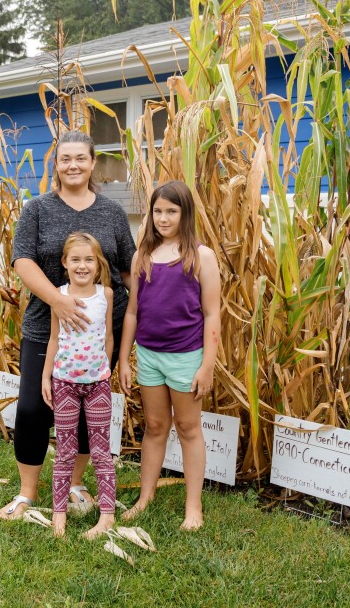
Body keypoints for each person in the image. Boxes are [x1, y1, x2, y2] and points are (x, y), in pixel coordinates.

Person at [0, 130, 136, 520]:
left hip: (98, 334)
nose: (72, 165)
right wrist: (57, 300)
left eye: (80, 158)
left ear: (93, 164)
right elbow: (22, 261)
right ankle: (27, 493)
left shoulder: (111, 213)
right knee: (32, 409)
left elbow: (129, 269)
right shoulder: (38, 209)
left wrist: (139, 321)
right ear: (55, 165)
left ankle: (75, 483)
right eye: (65, 159)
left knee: (84, 412)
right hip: (46, 326)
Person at [118, 180, 221, 530]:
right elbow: (133, 311)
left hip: (185, 357)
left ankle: (194, 508)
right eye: (158, 211)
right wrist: (123, 359)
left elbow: (212, 314)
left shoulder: (201, 256)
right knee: (156, 426)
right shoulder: (141, 255)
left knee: (189, 428)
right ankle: (146, 496)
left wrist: (207, 365)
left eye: (171, 211)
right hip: (149, 356)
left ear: (184, 213)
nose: (163, 218)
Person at [41, 233, 116, 538]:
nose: (82, 266)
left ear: (98, 265)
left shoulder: (106, 295)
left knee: (100, 449)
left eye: (89, 260)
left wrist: (105, 369)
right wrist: (46, 376)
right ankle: (59, 515)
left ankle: (108, 514)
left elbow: (108, 336)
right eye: (76, 259)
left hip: (97, 384)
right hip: (65, 383)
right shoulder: (58, 295)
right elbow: (55, 339)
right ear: (65, 263)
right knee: (65, 450)